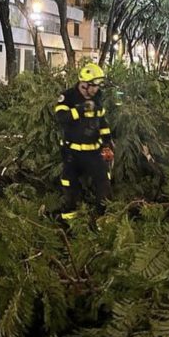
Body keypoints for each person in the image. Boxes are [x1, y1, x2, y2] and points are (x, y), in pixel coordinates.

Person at [54, 63, 114, 222]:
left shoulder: (98, 98)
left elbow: (102, 122)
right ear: (84, 83)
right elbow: (61, 118)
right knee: (69, 182)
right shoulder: (68, 97)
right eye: (93, 85)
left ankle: (102, 218)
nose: (95, 90)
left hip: (94, 152)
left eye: (97, 86)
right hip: (72, 153)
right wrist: (80, 109)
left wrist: (107, 143)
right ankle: (69, 219)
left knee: (103, 180)